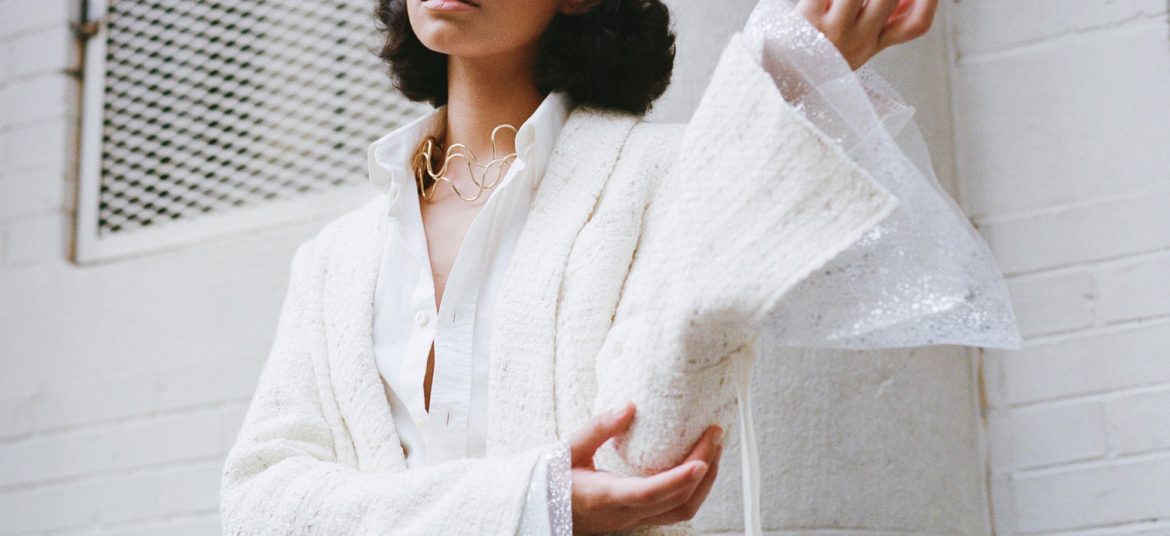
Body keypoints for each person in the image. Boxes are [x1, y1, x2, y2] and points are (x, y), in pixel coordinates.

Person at [220, 1, 956, 535]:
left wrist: (776, 99)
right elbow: (257, 502)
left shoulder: (665, 177)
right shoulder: (335, 258)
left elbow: (649, 457)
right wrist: (528, 502)